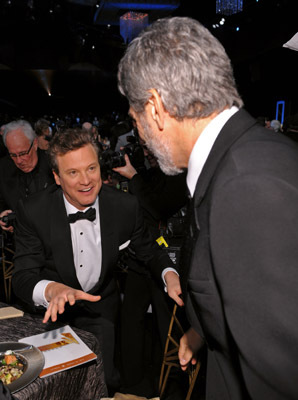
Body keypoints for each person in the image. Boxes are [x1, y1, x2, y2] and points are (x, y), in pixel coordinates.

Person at [117, 16, 298, 400]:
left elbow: (282, 375)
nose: (143, 138)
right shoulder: (245, 155)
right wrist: (202, 328)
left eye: (137, 122)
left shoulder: (248, 186)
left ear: (154, 107)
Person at [12, 128, 183, 393]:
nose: (86, 181)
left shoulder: (124, 207)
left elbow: (150, 250)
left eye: (91, 168)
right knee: (52, 386)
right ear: (57, 177)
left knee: (101, 381)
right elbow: (22, 277)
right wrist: (51, 289)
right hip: (49, 313)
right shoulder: (34, 210)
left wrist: (169, 273)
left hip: (99, 307)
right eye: (73, 172)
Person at [113, 140, 188, 396]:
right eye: (143, 148)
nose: (146, 153)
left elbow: (157, 206)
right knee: (131, 320)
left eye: (149, 148)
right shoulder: (151, 169)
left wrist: (134, 177)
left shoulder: (181, 170)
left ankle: (168, 386)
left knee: (165, 326)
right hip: (141, 255)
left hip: (169, 260)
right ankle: (132, 382)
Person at [0, 120, 54, 233]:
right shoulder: (4, 168)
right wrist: (2, 214)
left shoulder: (53, 165)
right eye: (13, 155)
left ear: (34, 144)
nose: (19, 161)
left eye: (23, 153)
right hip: (19, 242)